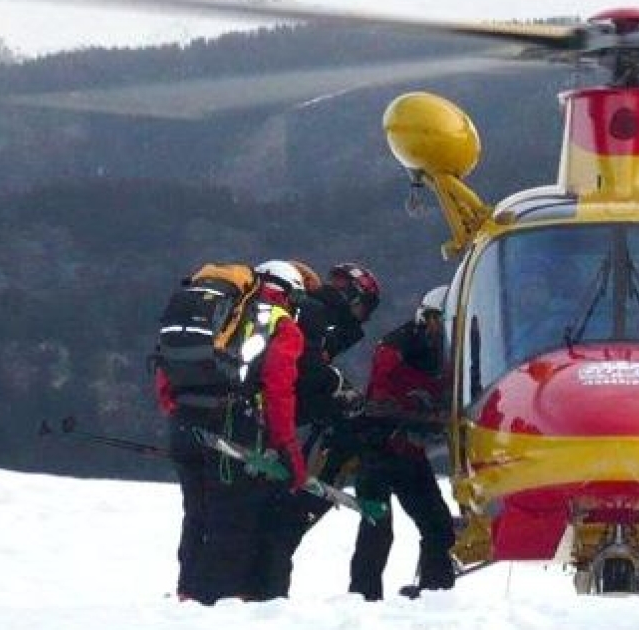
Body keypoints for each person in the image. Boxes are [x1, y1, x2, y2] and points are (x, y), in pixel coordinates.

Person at [156, 259, 308, 605]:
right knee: (232, 517)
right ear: (288, 293)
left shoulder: (213, 315)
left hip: (183, 423)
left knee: (196, 511)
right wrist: (288, 450)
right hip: (231, 428)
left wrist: (179, 412)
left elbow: (165, 372)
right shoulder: (279, 323)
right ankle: (215, 605)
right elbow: (278, 391)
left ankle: (187, 594)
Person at [254, 261, 382, 600]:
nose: (363, 317)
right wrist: (339, 389)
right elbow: (306, 371)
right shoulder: (317, 315)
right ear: (352, 297)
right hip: (280, 418)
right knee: (278, 525)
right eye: (365, 307)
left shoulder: (311, 312)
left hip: (274, 417)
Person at [347, 285, 456, 601]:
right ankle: (362, 598)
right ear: (427, 317)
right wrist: (425, 416)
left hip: (408, 453)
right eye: (441, 320)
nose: (443, 328)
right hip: (380, 452)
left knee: (438, 526)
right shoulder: (398, 346)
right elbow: (380, 403)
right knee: (377, 530)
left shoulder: (448, 352)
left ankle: (436, 593)